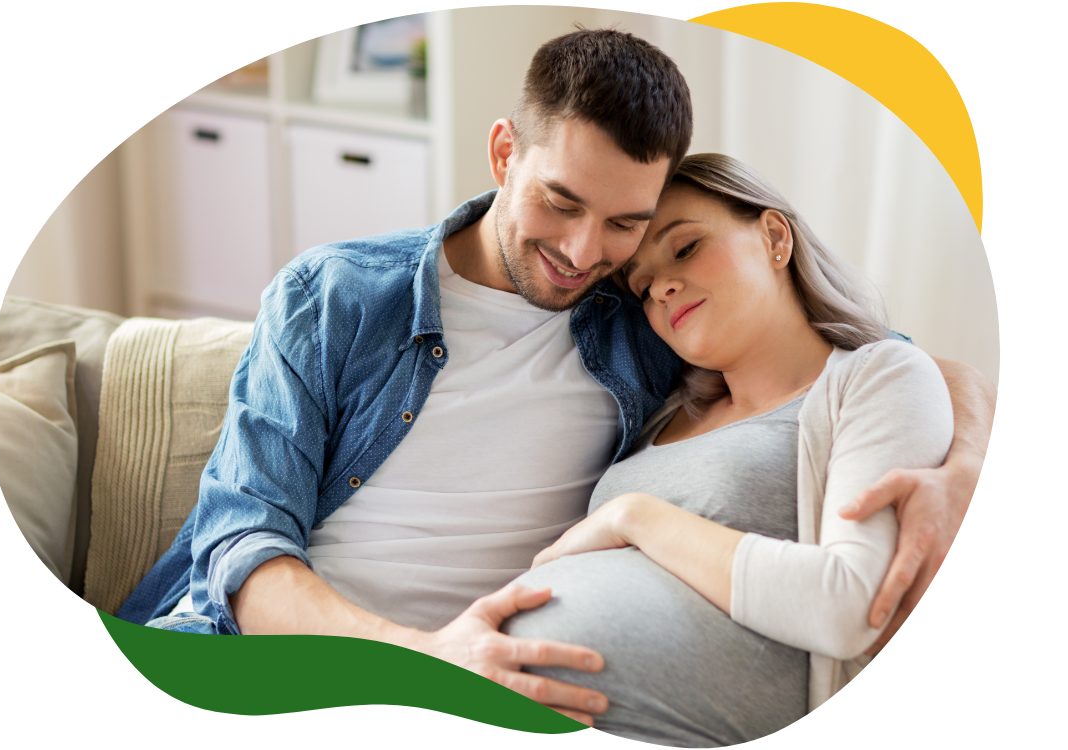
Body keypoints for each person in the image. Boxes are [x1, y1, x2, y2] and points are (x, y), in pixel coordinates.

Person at [120, 29, 995, 728]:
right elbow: (240, 549)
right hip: (267, 658)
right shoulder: (338, 295)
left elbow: (879, 354)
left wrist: (955, 476)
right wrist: (423, 656)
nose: (584, 254)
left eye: (627, 222)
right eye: (561, 202)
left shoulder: (646, 318)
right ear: (505, 152)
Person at [501, 152, 955, 744]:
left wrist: (633, 516)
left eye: (685, 248)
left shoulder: (879, 376)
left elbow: (851, 606)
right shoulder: (661, 413)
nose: (661, 286)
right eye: (641, 285)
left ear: (774, 237)